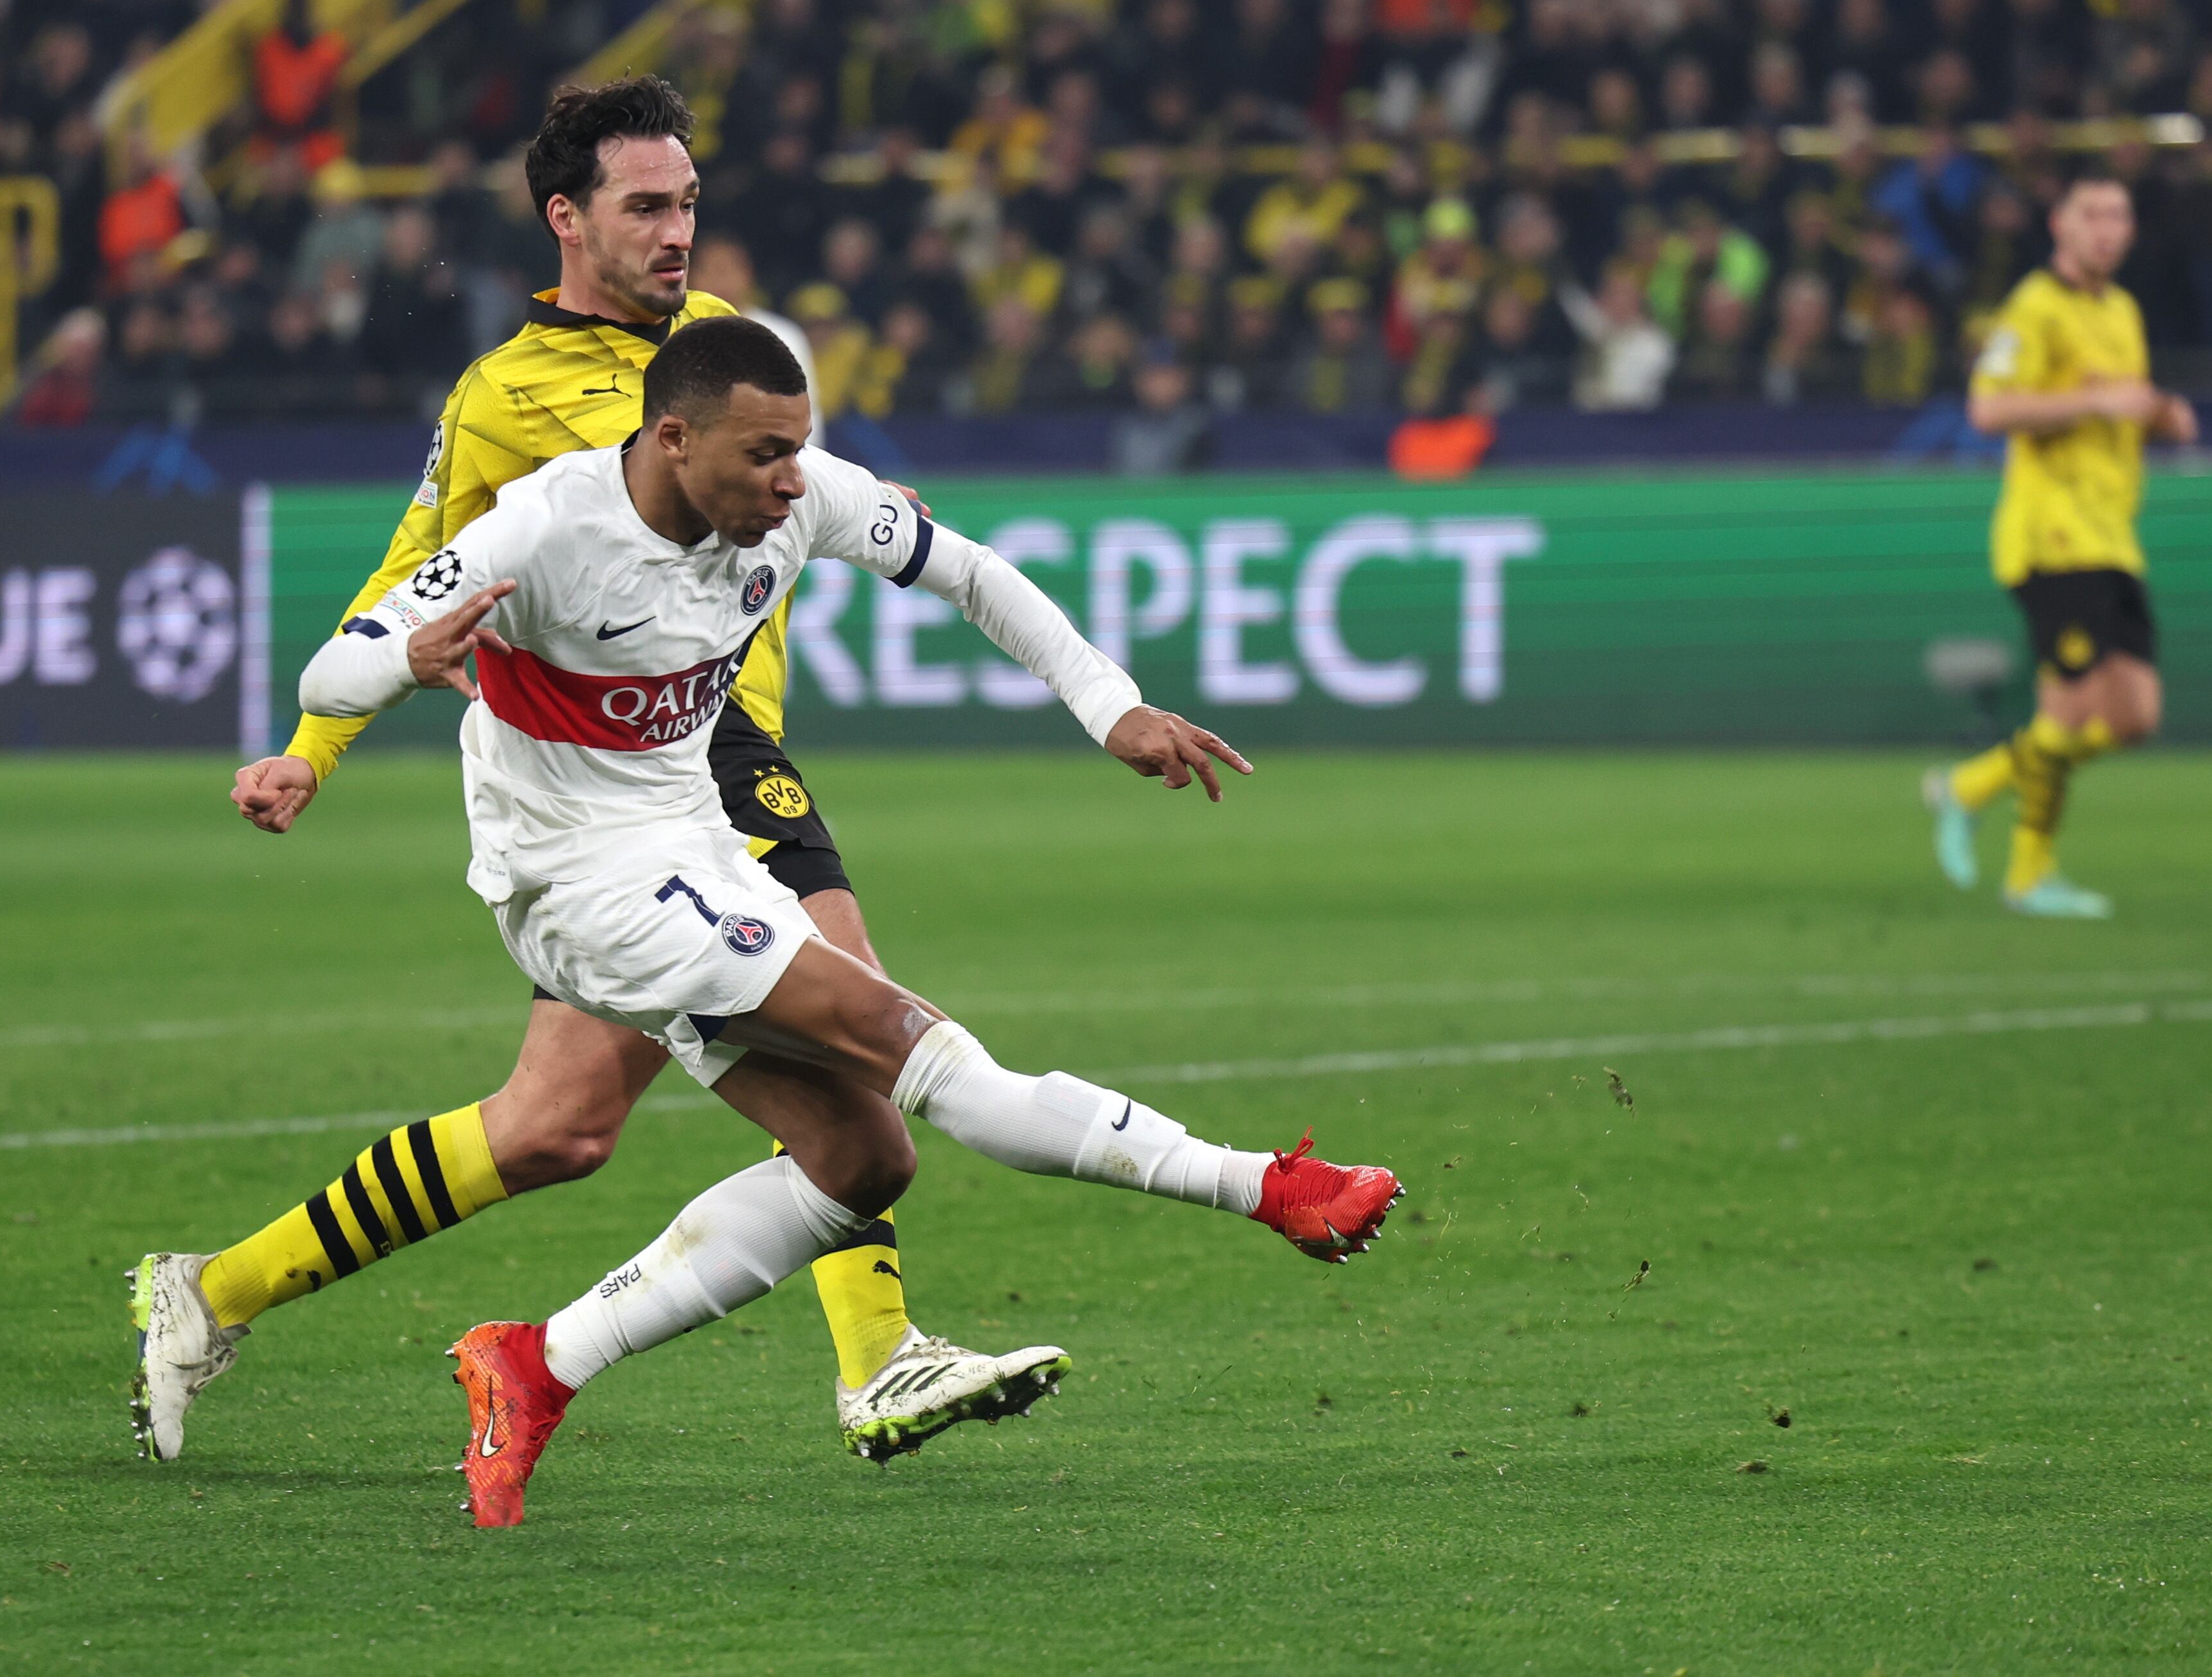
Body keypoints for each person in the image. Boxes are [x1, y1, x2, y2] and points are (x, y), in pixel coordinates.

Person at [297, 317, 1405, 1527]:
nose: (791, 481)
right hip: (577, 883)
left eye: (800, 451)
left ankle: (537, 1363)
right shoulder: (544, 530)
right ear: (673, 439)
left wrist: (1109, 705)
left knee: (865, 1157)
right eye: (765, 454)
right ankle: (1271, 1188)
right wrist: (407, 654)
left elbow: (971, 570)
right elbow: (328, 671)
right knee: (908, 1036)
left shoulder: (801, 495)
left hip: (692, 850)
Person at [130, 78, 1057, 1477]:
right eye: (646, 204)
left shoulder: (732, 354)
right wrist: (314, 745)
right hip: (618, 768)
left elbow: (818, 491)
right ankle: (881, 1361)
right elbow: (413, 571)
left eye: (687, 201)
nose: (678, 228)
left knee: (554, 1129)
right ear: (566, 219)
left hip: (705, 750)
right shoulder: (504, 396)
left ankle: (215, 1289)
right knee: (856, 1020)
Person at [1925, 174, 2198, 918]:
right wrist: (2093, 399)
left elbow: (2122, 407)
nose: (2108, 228)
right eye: (2093, 215)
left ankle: (1969, 786)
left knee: (2136, 717)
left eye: (2120, 214)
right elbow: (1987, 407)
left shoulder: (2123, 311)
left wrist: (2161, 415)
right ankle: (2029, 874)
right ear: (2060, 226)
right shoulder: (2033, 309)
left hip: (2114, 538)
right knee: (2071, 710)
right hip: (2052, 538)